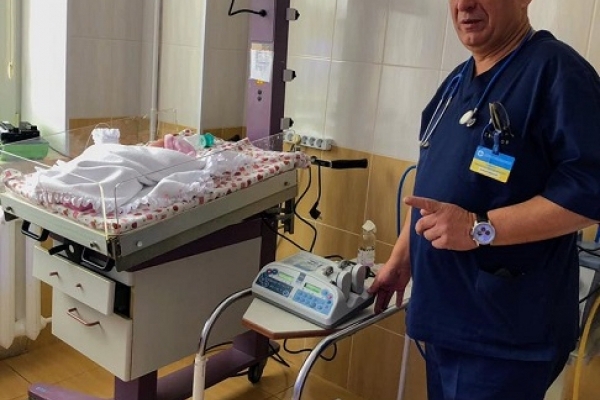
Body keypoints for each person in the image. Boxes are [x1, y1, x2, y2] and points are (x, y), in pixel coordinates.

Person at [368, 0, 600, 399]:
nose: (464, 5)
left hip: (503, 334)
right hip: (445, 320)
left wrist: (479, 228)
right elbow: (432, 184)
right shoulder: (455, 84)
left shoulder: (556, 72)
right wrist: (401, 258)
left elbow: (591, 189)